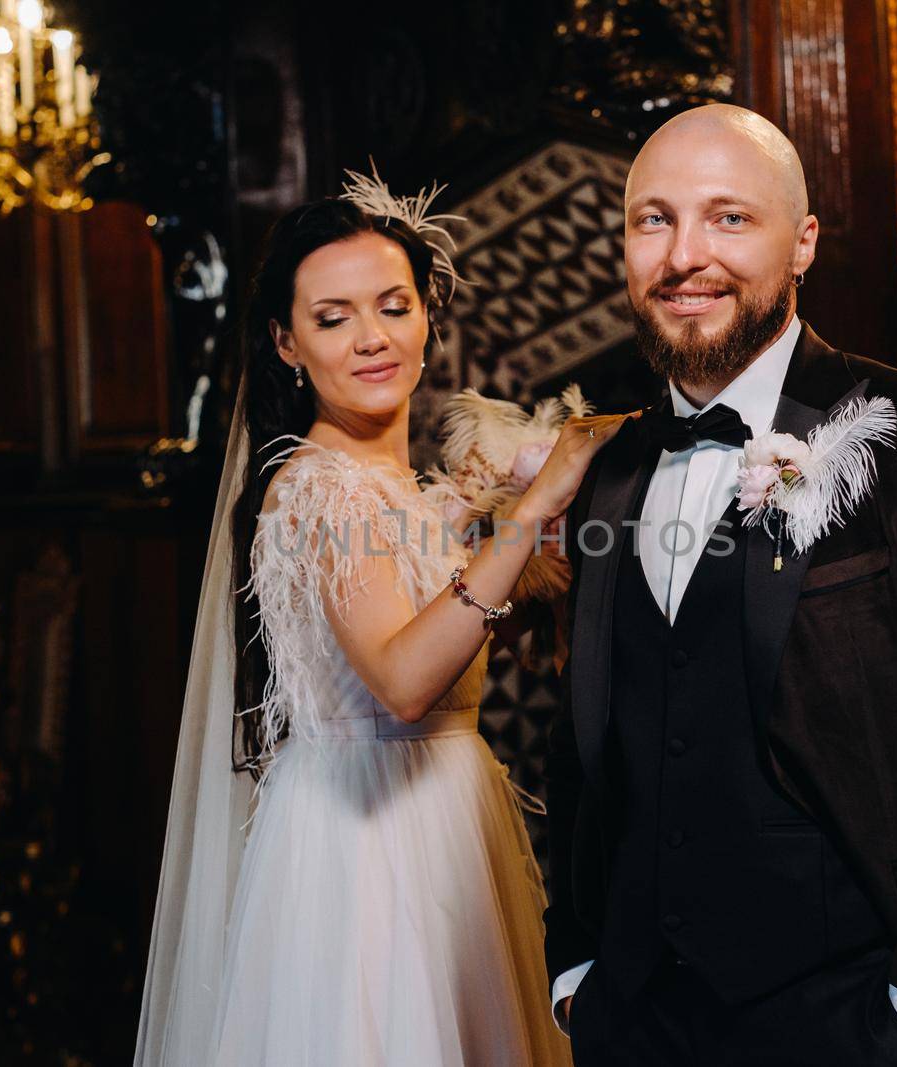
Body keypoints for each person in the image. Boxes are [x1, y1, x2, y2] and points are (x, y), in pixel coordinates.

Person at [544, 103, 897, 1065]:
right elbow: (591, 731)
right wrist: (575, 968)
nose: (684, 256)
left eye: (728, 218)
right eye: (653, 219)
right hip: (638, 1021)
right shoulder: (607, 464)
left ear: (802, 242)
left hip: (869, 1014)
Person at [133, 173, 620, 1065]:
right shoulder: (317, 487)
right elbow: (400, 683)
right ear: (286, 343)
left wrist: (532, 586)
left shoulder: (400, 488)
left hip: (448, 812)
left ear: (428, 318)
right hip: (368, 844)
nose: (372, 338)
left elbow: (444, 659)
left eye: (394, 306)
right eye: (333, 318)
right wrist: (528, 511)